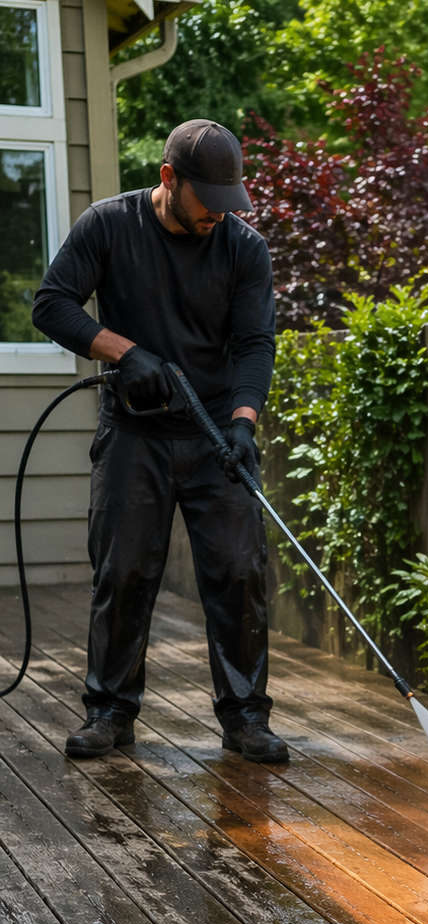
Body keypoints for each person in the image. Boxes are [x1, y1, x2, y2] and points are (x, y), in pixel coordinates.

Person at [32, 119, 289, 764]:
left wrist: (243, 421)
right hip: (133, 435)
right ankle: (110, 713)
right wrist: (126, 353)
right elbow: (52, 303)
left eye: (231, 202)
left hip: (214, 436)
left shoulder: (242, 247)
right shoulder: (108, 226)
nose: (220, 216)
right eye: (209, 200)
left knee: (238, 572)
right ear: (170, 179)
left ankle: (245, 719)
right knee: (124, 573)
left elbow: (256, 343)